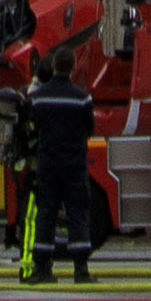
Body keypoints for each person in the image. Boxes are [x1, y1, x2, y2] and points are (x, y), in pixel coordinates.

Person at [21, 48, 102, 276]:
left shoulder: (38, 98)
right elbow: (89, 129)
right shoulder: (82, 98)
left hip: (47, 164)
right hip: (74, 165)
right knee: (77, 213)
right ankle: (81, 270)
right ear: (73, 68)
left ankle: (42, 269)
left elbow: (32, 127)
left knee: (46, 213)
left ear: (54, 66)